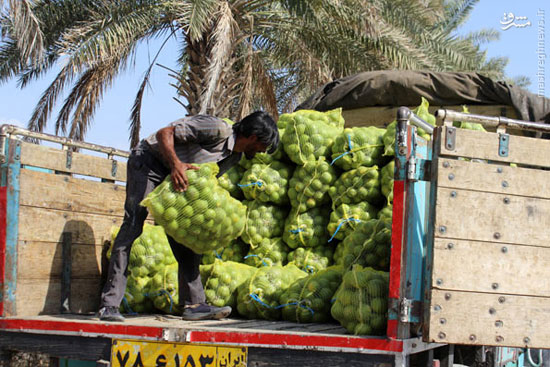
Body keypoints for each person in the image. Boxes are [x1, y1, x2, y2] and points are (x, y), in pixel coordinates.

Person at [97, 111, 279, 322]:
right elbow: (165, 133)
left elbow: (204, 179)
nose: (262, 152)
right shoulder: (217, 129)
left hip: (176, 179)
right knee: (132, 227)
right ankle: (109, 305)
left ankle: (193, 304)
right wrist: (175, 165)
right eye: (263, 147)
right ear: (254, 138)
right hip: (150, 164)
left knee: (187, 236)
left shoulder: (234, 157)